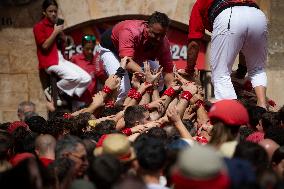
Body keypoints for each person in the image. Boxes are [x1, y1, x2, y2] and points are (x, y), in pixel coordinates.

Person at [186, 0, 268, 109]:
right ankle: (262, 106)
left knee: (221, 73)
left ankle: (233, 115)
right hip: (258, 16)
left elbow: (194, 43)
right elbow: (244, 42)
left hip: (229, 14)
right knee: (258, 70)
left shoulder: (199, 3)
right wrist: (241, 71)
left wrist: (189, 70)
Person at [99, 11, 174, 102]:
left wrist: (173, 93)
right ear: (147, 27)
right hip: (112, 50)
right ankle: (117, 113)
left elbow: (168, 72)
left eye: (162, 35)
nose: (158, 39)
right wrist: (147, 75)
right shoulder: (130, 31)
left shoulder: (163, 42)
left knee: (160, 79)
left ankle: (148, 105)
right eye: (155, 34)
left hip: (135, 55)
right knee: (122, 88)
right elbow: (127, 62)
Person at [33, 0, 91, 105]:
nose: (54, 14)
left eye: (55, 11)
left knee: (86, 78)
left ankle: (67, 94)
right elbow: (45, 46)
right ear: (44, 12)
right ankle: (53, 91)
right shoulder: (39, 27)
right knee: (75, 77)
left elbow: (65, 43)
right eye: (50, 11)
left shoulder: (56, 25)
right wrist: (55, 32)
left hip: (61, 59)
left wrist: (60, 33)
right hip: (49, 61)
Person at [70, 35, 107, 105]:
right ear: (82, 47)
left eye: (92, 49)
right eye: (87, 49)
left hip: (92, 100)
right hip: (78, 100)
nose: (90, 51)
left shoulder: (96, 60)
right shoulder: (75, 59)